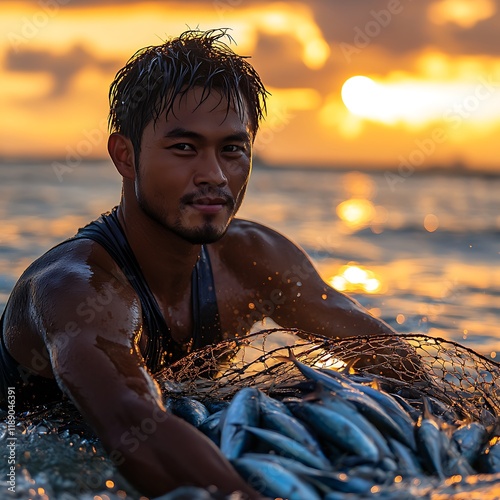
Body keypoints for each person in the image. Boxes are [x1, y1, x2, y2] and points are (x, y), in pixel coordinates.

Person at [0, 29, 399, 498]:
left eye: (232, 149)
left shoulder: (254, 261)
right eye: (184, 148)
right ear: (125, 156)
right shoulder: (77, 290)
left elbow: (383, 356)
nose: (214, 174)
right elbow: (133, 424)